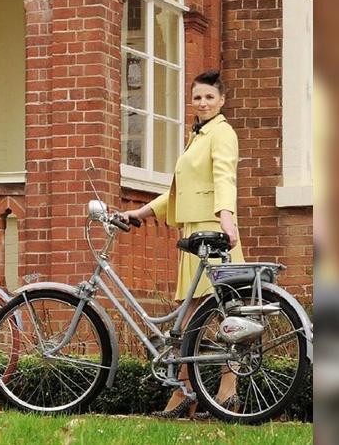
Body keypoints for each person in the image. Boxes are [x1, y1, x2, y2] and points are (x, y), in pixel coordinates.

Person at [122, 70, 244, 420]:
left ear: (222, 100)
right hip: (194, 234)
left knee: (221, 316)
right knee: (193, 318)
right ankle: (187, 391)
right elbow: (179, 191)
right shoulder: (197, 136)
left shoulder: (222, 133)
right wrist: (141, 212)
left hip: (213, 232)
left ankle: (222, 391)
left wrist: (226, 216)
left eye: (209, 97)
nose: (203, 103)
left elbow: (224, 175)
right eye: (197, 98)